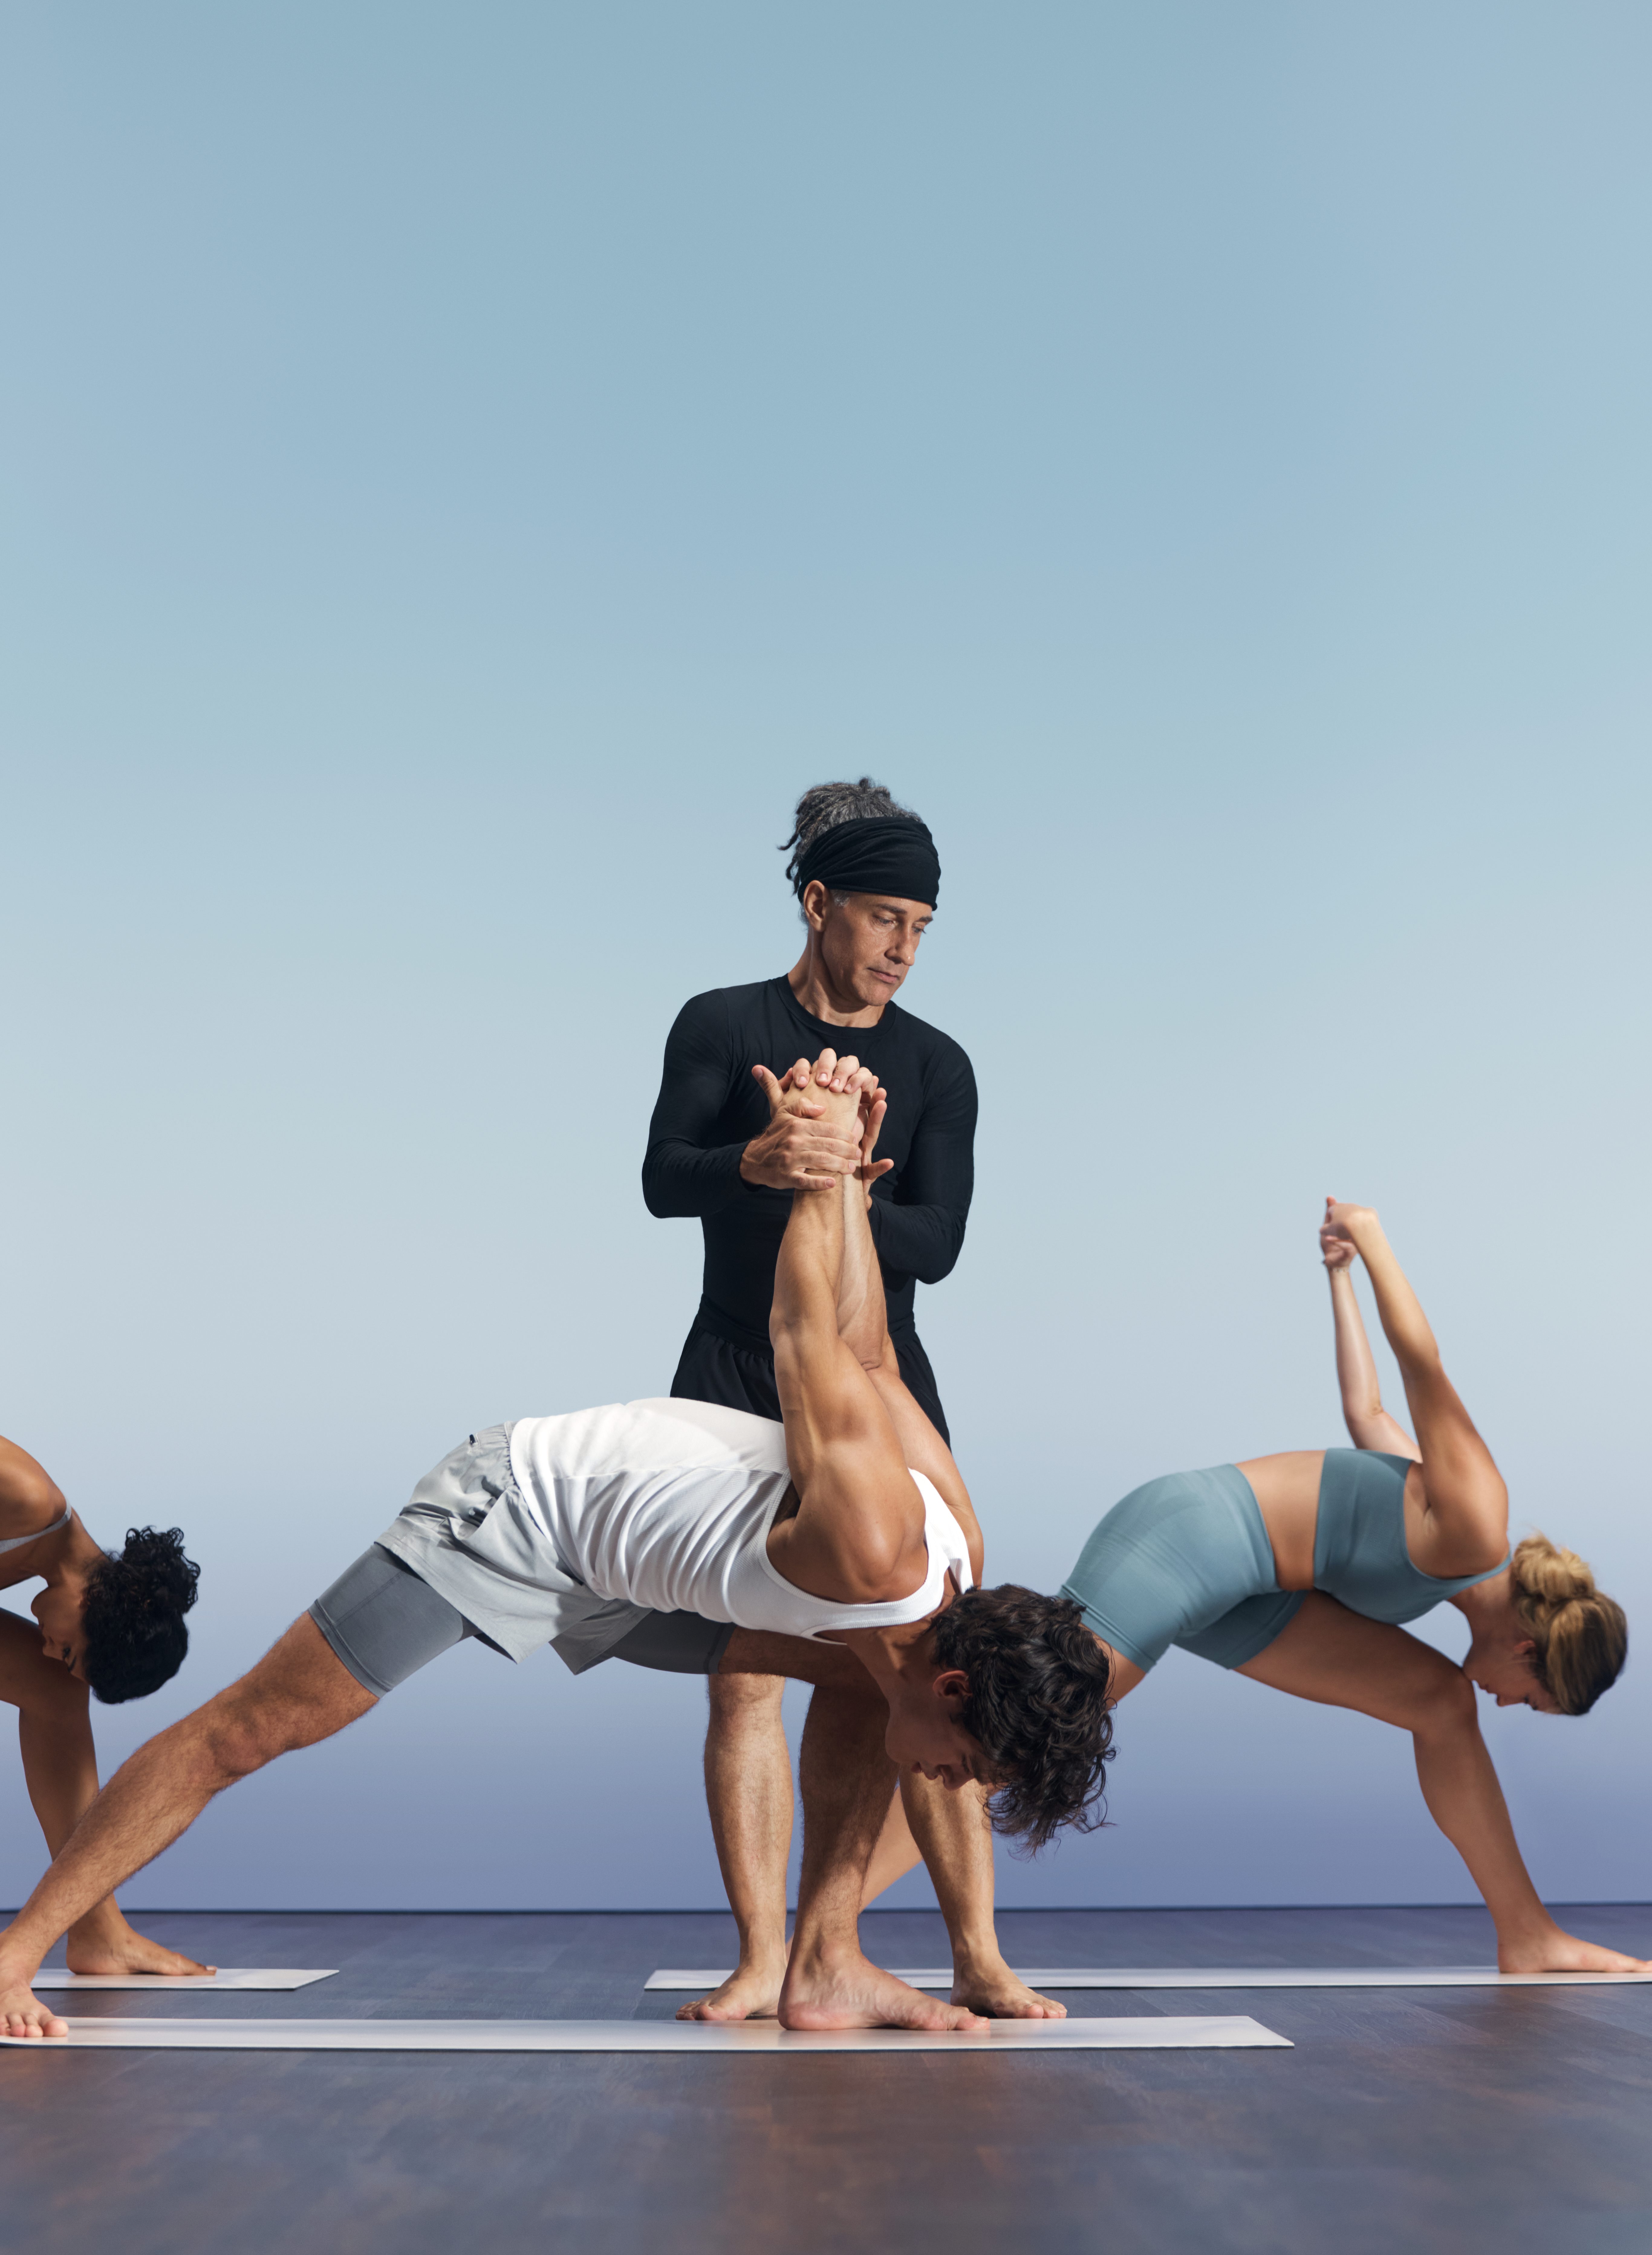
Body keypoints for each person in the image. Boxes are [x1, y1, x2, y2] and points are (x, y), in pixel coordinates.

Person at [0, 1053, 1111, 2039]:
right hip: (524, 1512)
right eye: (966, 1763)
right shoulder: (877, 1544)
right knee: (250, 1731)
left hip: (652, 1575)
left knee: (873, 1683)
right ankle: (25, 1946)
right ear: (959, 1679)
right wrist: (819, 1158)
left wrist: (854, 1195)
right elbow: (807, 1337)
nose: (950, 1783)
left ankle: (822, 1965)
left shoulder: (956, 1556)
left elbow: (877, 1356)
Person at [1051, 1197, 1642, 1975]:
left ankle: (1528, 1936)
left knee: (1438, 1701)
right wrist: (1368, 1239)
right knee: (1029, 1727)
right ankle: (838, 1918)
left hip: (1247, 1592)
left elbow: (1366, 1413)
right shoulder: (1475, 1523)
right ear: (1527, 1649)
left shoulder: (1455, 1563)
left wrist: (1336, 1281)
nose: (1509, 1705)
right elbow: (1422, 1366)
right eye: (1529, 1698)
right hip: (1187, 1539)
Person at [643, 778, 1001, 2021]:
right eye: (883, 917)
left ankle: (909, 1949)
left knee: (902, 1662)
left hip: (871, 1382)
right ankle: (758, 1956)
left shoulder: (937, 1064)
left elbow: (938, 1241)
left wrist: (837, 1170)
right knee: (743, 1674)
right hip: (733, 1374)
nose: (901, 947)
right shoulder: (718, 1020)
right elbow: (660, 1178)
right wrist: (763, 1154)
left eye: (921, 926)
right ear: (817, 902)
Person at [0, 1430, 210, 1978]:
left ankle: (97, 1930)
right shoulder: (22, 1497)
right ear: (95, 1603)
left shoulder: (28, 1553)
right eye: (69, 1649)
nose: (48, 1647)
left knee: (53, 1691)